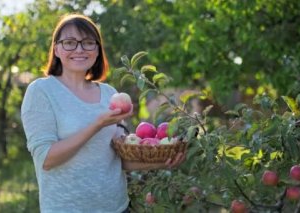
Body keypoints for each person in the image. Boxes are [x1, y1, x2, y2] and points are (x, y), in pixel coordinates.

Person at [21, 13, 185, 213]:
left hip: (117, 207)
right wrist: (96, 124)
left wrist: (161, 162)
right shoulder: (41, 91)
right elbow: (46, 159)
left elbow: (116, 159)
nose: (80, 49)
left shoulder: (109, 94)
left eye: (88, 42)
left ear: (97, 50)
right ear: (56, 49)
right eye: (70, 42)